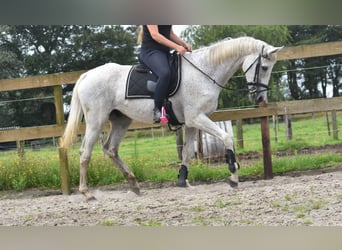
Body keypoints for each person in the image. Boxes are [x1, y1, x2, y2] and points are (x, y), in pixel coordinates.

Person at [138, 25, 192, 123]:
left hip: (164, 52)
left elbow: (170, 34)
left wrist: (184, 44)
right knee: (165, 73)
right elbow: (155, 35)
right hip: (150, 52)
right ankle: (157, 109)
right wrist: (176, 46)